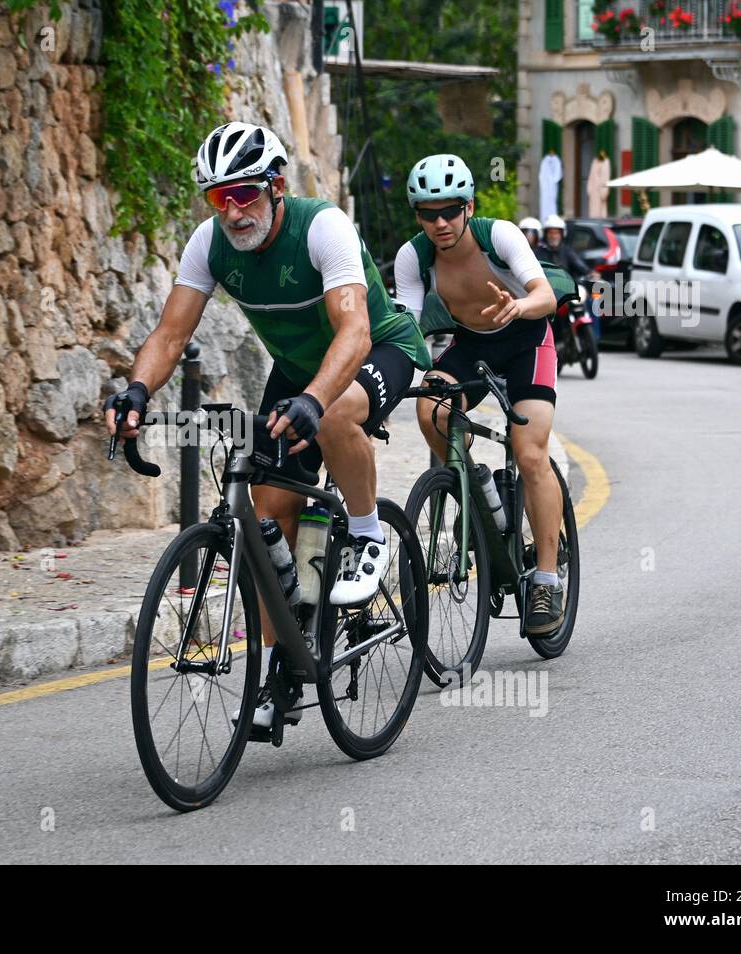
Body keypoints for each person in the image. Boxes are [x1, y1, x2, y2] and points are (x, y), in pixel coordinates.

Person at [103, 122, 430, 731]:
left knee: (332, 414)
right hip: (299, 370)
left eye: (245, 193)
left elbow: (354, 330)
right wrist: (138, 390)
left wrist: (313, 397)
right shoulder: (209, 244)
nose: (232, 210)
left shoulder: (321, 226)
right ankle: (279, 669)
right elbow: (172, 335)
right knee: (266, 507)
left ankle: (365, 535)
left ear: (276, 185)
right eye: (217, 197)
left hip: (376, 349)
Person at [392, 154, 567, 635]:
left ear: (469, 206)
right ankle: (478, 492)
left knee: (530, 454)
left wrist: (520, 306)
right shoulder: (414, 257)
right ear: (417, 215)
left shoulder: (500, 235)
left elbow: (545, 295)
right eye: (428, 213)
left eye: (450, 210)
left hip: (528, 339)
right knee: (432, 410)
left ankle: (547, 580)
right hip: (471, 344)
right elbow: (407, 328)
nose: (440, 222)